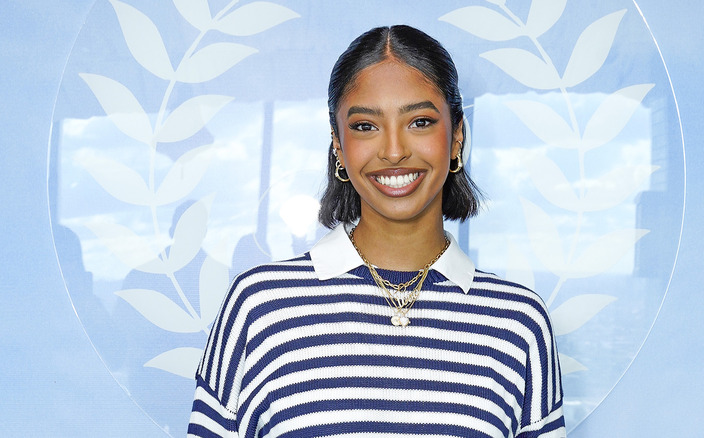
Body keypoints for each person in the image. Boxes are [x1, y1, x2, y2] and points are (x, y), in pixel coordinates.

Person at [188, 25, 565, 438]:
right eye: (366, 126)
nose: (393, 151)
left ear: (456, 136)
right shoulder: (259, 308)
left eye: (419, 121)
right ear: (338, 143)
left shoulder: (518, 324)